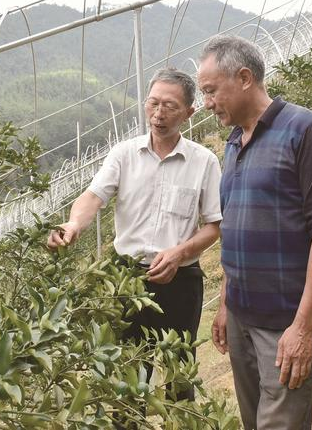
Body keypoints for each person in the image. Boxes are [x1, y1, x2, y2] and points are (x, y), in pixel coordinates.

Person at [198, 34, 312, 430]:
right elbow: (235, 230)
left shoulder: (304, 130)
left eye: (212, 91)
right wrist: (226, 302)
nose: (207, 103)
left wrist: (303, 327)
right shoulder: (233, 143)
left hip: (285, 323)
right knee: (253, 422)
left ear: (244, 77)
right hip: (241, 319)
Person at [47, 67, 222, 403]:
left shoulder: (204, 162)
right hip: (125, 280)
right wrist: (72, 225)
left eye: (170, 106)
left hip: (180, 281)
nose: (158, 114)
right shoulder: (124, 154)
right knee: (126, 378)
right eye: (153, 103)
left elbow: (214, 226)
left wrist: (179, 253)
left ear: (189, 112)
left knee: (178, 375)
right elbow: (93, 197)